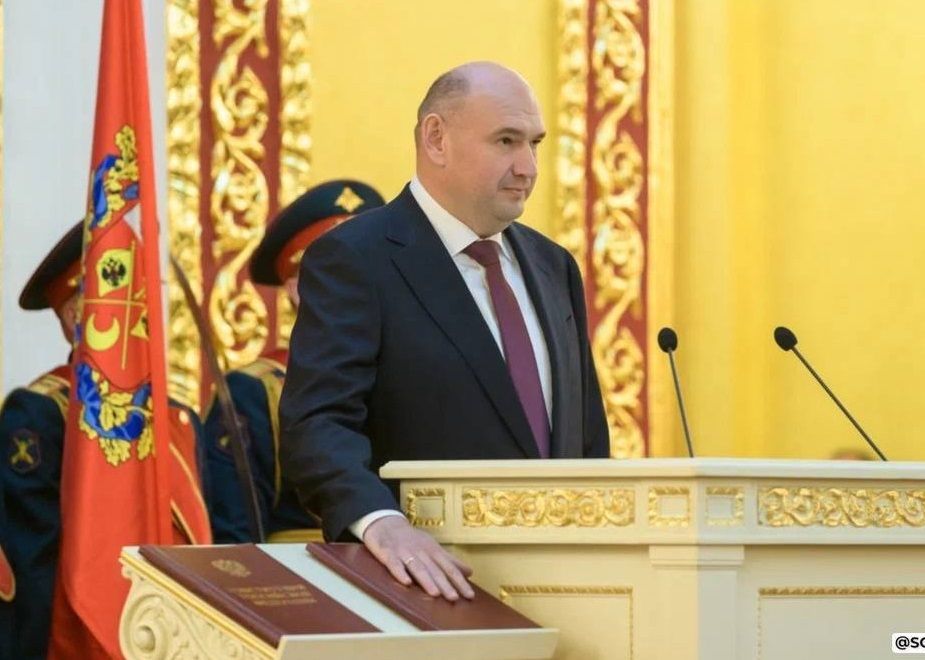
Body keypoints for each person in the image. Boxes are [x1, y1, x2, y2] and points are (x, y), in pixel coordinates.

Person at [280, 61, 610, 602]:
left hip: (570, 591)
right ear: (436, 139)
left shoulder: (554, 266)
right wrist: (380, 522)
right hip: (429, 588)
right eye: (506, 141)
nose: (527, 167)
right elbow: (318, 422)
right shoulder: (357, 258)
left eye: (535, 144)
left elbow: (587, 439)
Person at [0, 222, 209, 658]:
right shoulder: (41, 413)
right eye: (123, 296)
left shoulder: (177, 414)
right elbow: (32, 561)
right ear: (76, 316)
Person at [203, 179, 385, 543]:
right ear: (297, 289)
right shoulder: (253, 392)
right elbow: (235, 537)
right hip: (303, 572)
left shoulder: (422, 373)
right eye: (341, 274)